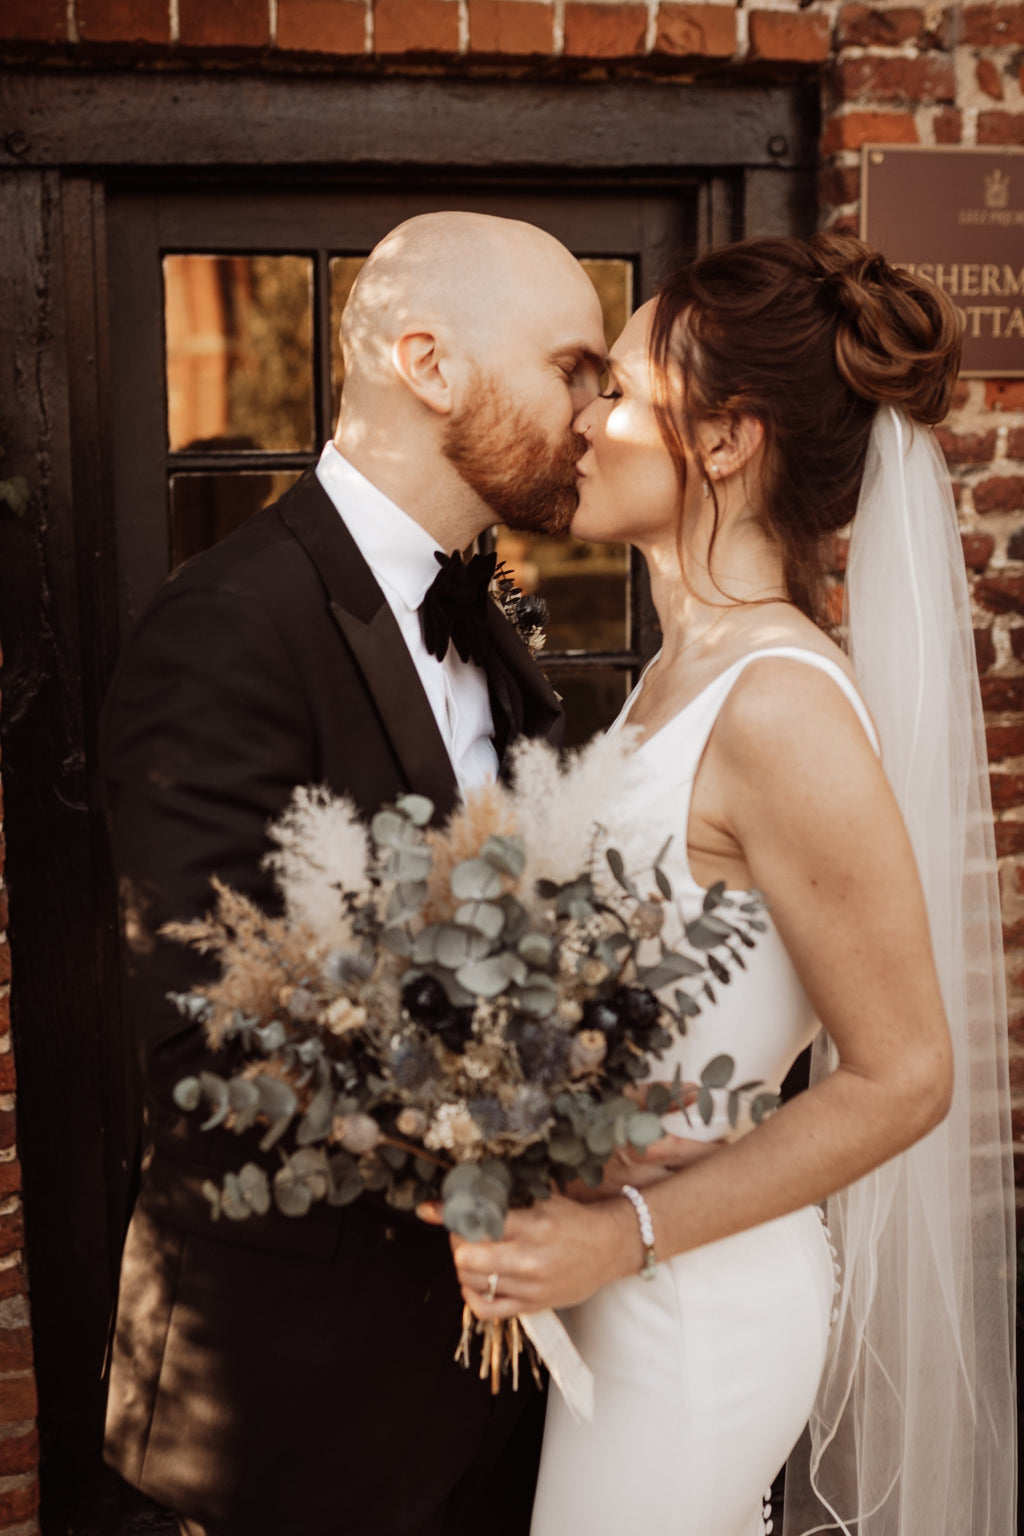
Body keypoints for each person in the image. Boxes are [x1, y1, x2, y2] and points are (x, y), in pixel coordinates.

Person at [445, 235, 1016, 1535]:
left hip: (695, 1311)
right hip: (627, 1279)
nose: (581, 418)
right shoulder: (681, 672)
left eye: (619, 389)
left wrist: (622, 1234)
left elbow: (906, 1074)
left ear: (724, 439)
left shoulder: (779, 704)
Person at [100, 211, 606, 1536]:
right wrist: (493, 1136)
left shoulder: (484, 612)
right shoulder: (229, 628)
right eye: (572, 368)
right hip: (291, 1413)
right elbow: (205, 1037)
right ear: (428, 364)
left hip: (496, 1399)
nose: (597, 413)